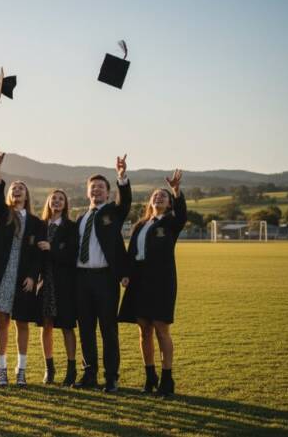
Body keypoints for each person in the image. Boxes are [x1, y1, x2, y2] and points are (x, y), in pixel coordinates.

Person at [0, 148, 45, 387]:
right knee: (2, 323)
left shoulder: (38, 223)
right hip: (2, 277)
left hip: (23, 278)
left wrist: (32, 276)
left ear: (27, 195)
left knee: (22, 324)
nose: (17, 190)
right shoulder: (3, 214)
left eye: (21, 188)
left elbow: (38, 253)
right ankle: (2, 369)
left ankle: (22, 370)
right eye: (13, 188)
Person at [118, 169, 186, 398]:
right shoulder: (140, 225)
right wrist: (126, 274)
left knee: (161, 330)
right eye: (155, 196)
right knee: (144, 331)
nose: (158, 198)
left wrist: (176, 191)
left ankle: (167, 380)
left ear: (168, 204)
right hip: (138, 282)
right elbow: (131, 253)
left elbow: (183, 214)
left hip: (161, 282)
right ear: (150, 201)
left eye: (163, 196)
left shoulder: (171, 223)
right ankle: (150, 377)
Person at [73, 155, 131, 393]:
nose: (96, 190)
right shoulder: (80, 218)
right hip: (81, 279)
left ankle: (111, 377)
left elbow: (125, 201)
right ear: (88, 192)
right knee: (86, 329)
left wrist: (121, 177)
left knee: (108, 329)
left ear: (108, 193)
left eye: (100, 187)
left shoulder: (112, 213)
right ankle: (89, 375)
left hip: (106, 279)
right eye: (92, 187)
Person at [35, 189, 79, 386]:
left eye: (61, 199)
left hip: (65, 283)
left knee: (67, 326)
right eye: (54, 198)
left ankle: (71, 369)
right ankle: (49, 368)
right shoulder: (40, 226)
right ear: (48, 202)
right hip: (44, 283)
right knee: (46, 325)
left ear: (65, 204)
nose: (58, 201)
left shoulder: (71, 227)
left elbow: (71, 256)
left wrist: (52, 249)